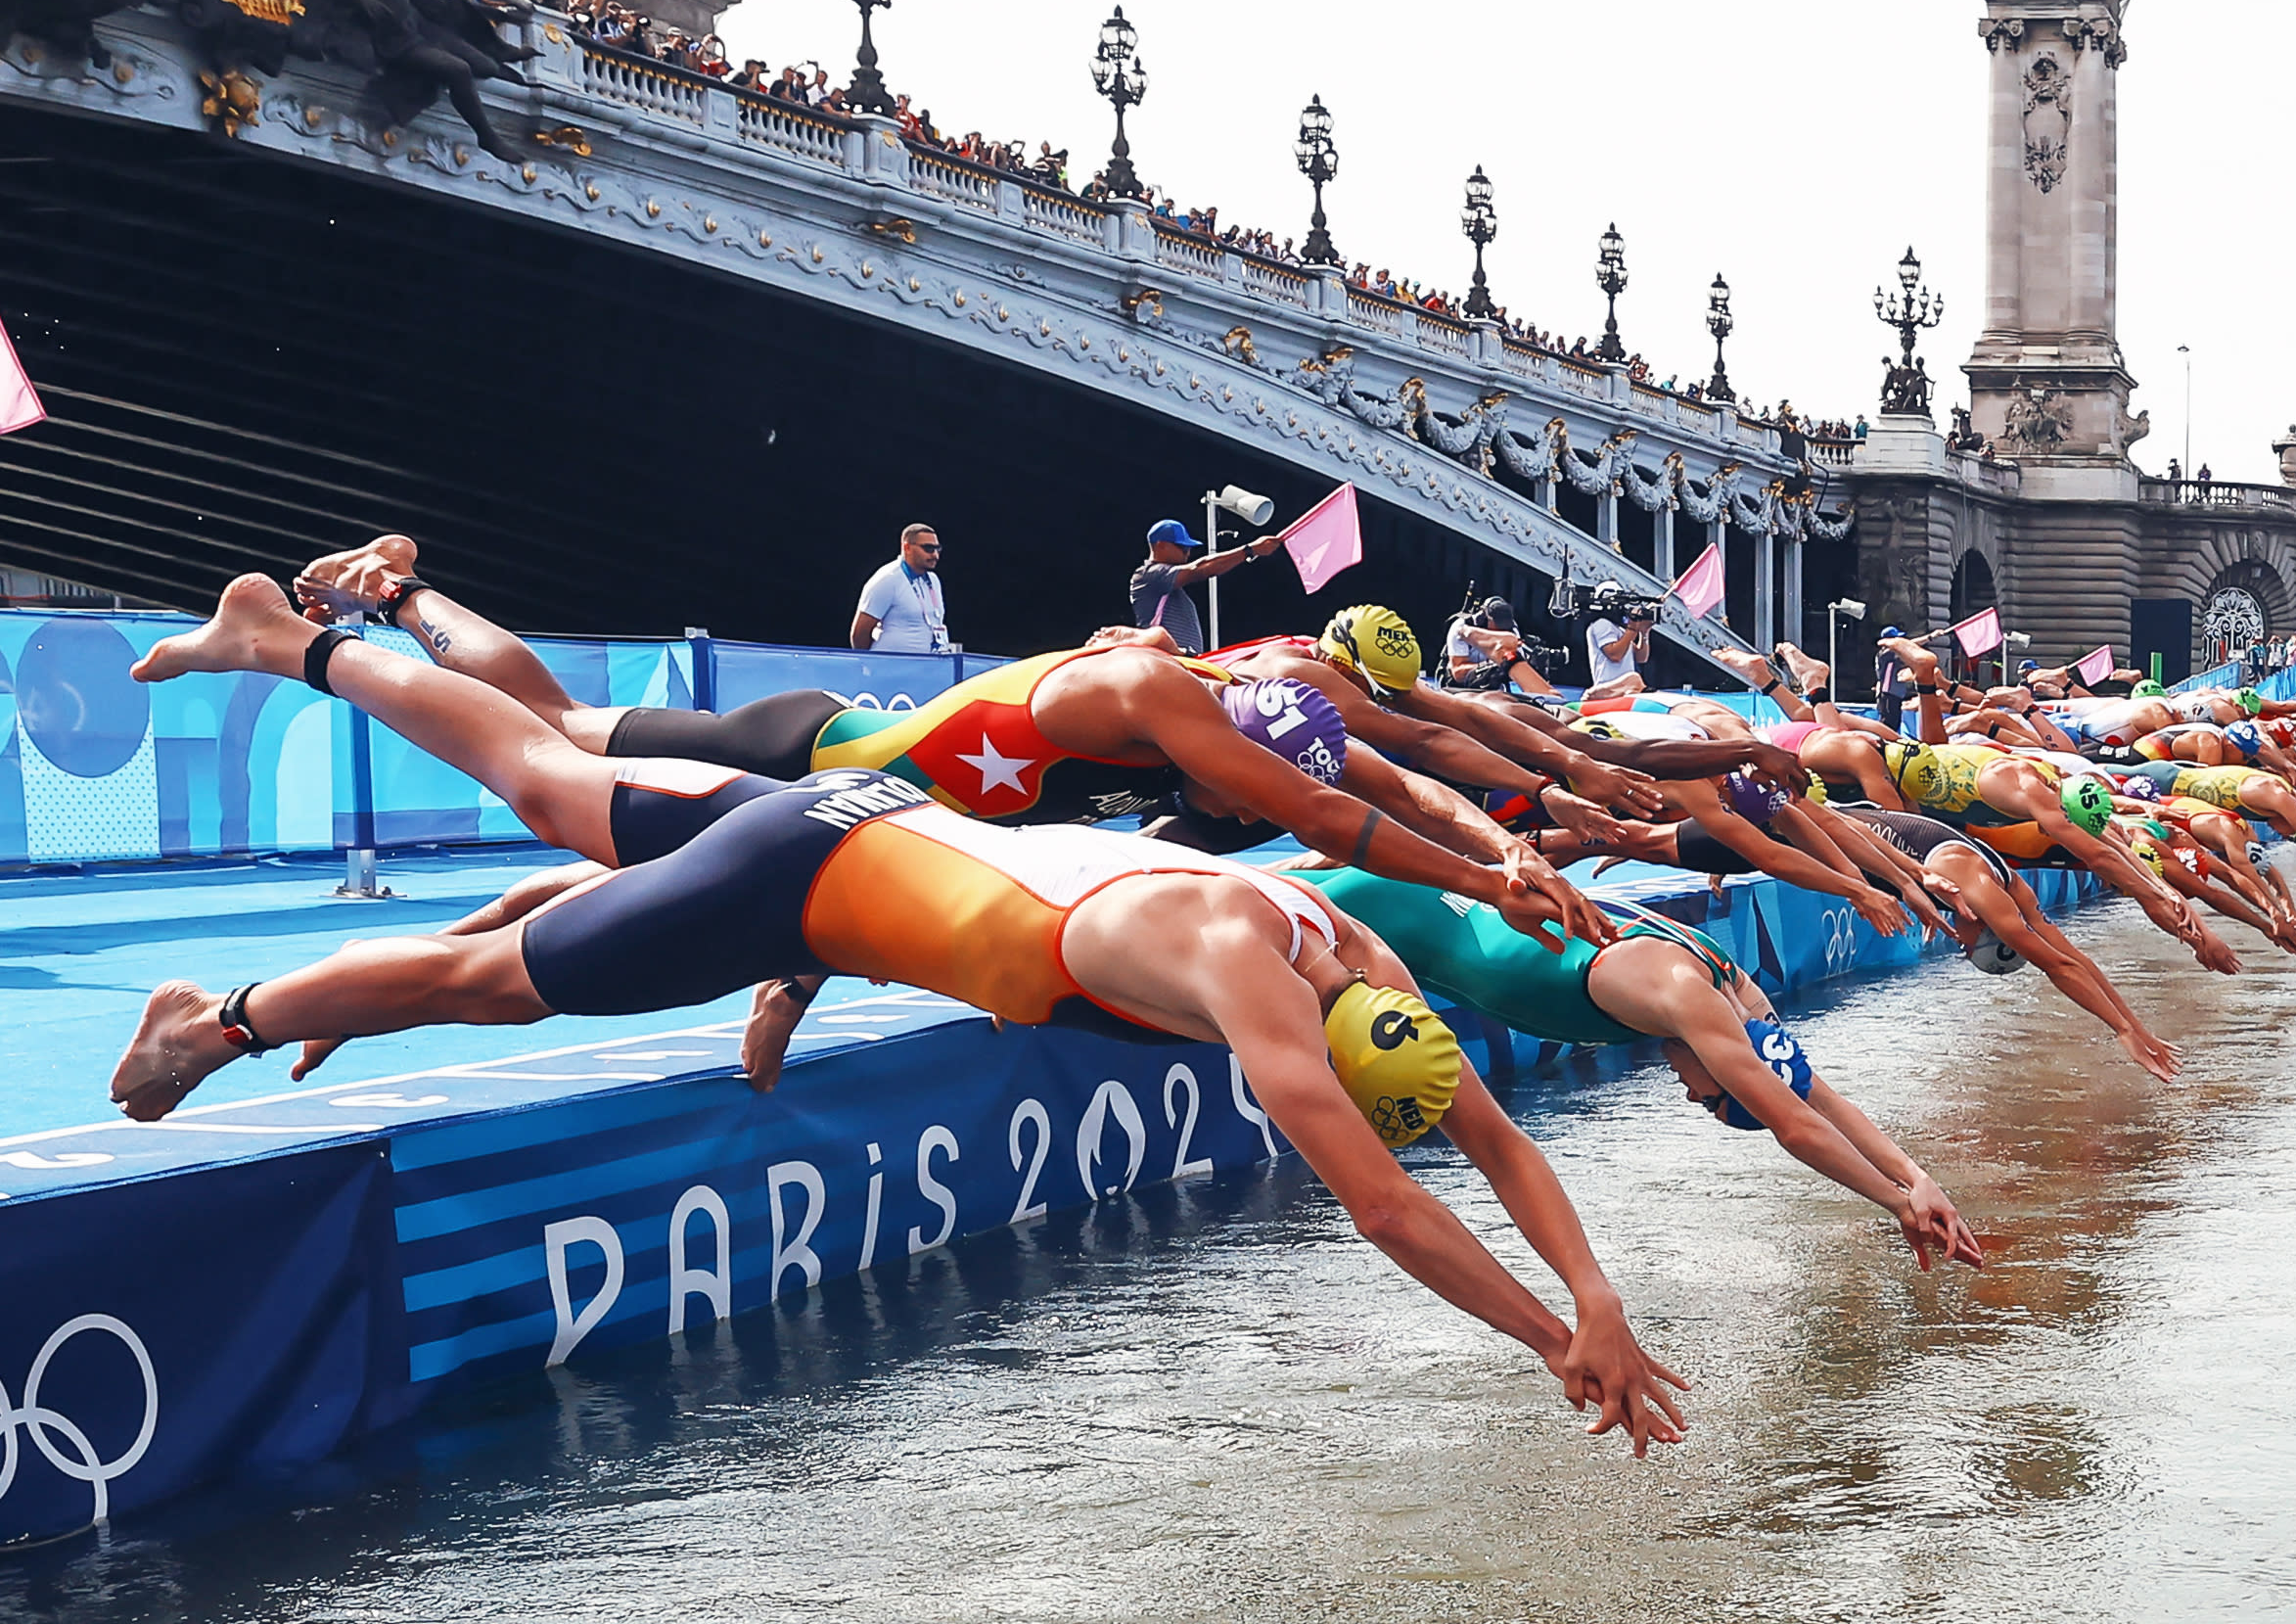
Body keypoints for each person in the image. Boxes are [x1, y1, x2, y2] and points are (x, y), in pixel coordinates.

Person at [111, 579, 1688, 1455]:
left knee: (543, 777)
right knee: (488, 985)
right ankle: (216, 1019)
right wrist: (1552, 1336)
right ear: (1311, 1042)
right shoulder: (1249, 978)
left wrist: (1597, 1298)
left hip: (853, 820)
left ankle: (294, 640)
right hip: (801, 884)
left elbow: (1473, 1126)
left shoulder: (1341, 950)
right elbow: (1393, 1200)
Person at [288, 539, 1607, 944]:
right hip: (819, 765)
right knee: (552, 756)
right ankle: (383, 606)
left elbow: (1383, 775)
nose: (1230, 800)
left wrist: (1507, 840)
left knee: (575, 771)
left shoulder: (1209, 688)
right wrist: (1498, 878)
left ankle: (396, 600)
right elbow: (1330, 812)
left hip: (843, 762)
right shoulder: (1159, 703)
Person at [1287, 870, 1981, 1270]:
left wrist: (1919, 1177)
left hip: (1396, 912)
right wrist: (1894, 1202)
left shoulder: (1734, 990)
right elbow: (1794, 1124)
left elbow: (1813, 1093)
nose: (1691, 1097)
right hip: (1374, 911)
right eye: (1714, 1102)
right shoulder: (1688, 997)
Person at [1129, 517, 1282, 656]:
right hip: (1165, 661)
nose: (1187, 553)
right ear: (1161, 545)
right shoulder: (1149, 574)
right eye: (1182, 547)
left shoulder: (1164, 582)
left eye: (1189, 549)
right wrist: (1249, 550)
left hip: (1180, 661)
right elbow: (1199, 569)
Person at [852, 523, 948, 653]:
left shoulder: (933, 580)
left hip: (927, 667)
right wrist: (871, 662)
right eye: (928, 548)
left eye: (938, 549)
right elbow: (860, 633)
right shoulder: (888, 579)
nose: (935, 555)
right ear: (907, 547)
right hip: (892, 668)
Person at [1582, 591, 1654, 699]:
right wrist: (1632, 629)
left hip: (1625, 690)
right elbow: (1615, 655)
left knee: (1635, 680)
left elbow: (1641, 658)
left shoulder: (1619, 629)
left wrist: (1644, 633)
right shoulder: (1602, 624)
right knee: (1634, 678)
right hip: (1608, 689)